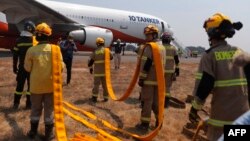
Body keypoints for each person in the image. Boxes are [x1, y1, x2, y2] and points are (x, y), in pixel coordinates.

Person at [188, 13, 249, 141]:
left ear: (210, 33)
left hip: (221, 121)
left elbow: (204, 86)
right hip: (243, 118)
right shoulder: (240, 52)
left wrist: (194, 109)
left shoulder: (209, 56)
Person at [24, 22, 64, 141]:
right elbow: (61, 67)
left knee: (35, 109)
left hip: (36, 86)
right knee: (49, 109)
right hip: (51, 85)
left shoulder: (31, 50)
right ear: (49, 35)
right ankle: (49, 135)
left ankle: (33, 132)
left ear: (37, 35)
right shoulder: (56, 49)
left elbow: (27, 68)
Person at [136, 24, 166, 132]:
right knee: (156, 103)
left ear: (154, 35)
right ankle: (159, 122)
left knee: (146, 102)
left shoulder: (150, 47)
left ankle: (144, 124)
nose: (146, 37)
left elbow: (147, 63)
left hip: (148, 80)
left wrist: (142, 78)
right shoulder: (162, 47)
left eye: (148, 35)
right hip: (159, 80)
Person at [12, 21, 36, 110]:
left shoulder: (18, 40)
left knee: (19, 86)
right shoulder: (33, 41)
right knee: (30, 86)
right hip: (31, 68)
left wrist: (14, 67)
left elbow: (15, 55)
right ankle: (28, 105)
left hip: (21, 67)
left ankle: (16, 103)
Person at [88, 37, 113, 102]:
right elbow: (111, 57)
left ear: (97, 44)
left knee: (96, 85)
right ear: (103, 43)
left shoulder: (95, 51)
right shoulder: (107, 51)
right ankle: (106, 98)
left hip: (97, 72)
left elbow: (90, 63)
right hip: (105, 72)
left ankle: (94, 98)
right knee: (105, 85)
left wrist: (91, 69)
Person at [161, 32, 180, 108]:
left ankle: (158, 101)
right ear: (170, 40)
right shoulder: (173, 48)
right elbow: (177, 61)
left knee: (158, 86)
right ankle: (166, 104)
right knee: (167, 87)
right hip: (170, 72)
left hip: (160, 71)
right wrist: (177, 70)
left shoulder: (159, 47)